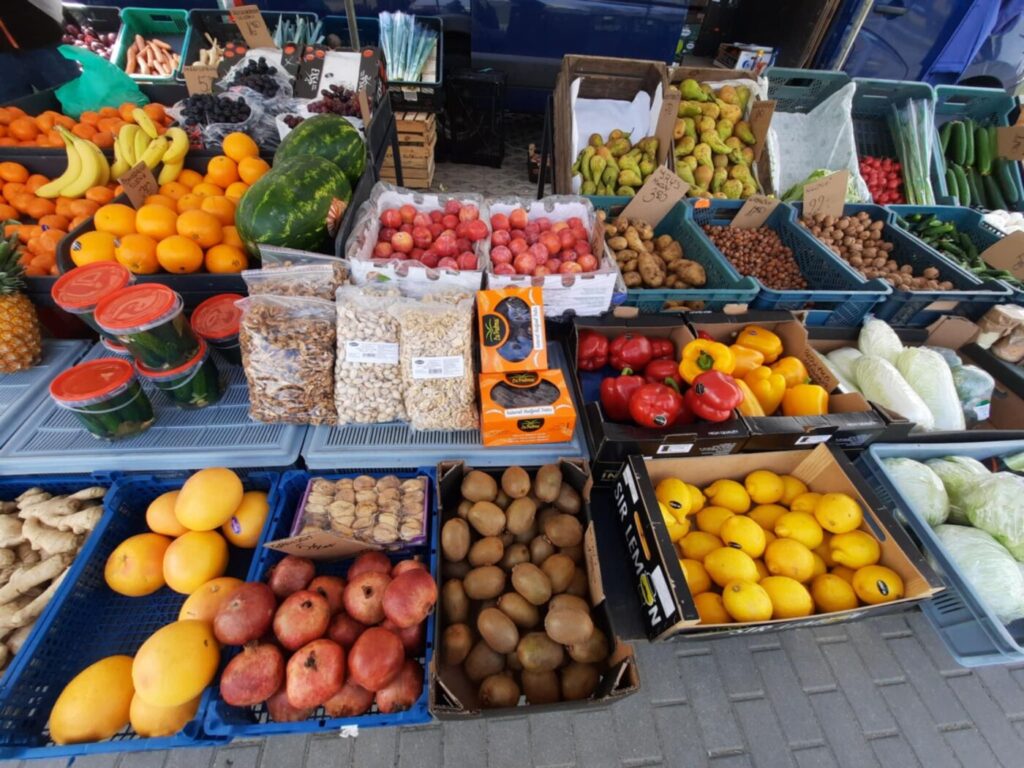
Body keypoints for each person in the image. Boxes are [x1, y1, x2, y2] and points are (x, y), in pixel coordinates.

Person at [0, 0, 79, 101]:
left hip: (41, 39)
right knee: (13, 107)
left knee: (76, 97)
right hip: (4, 58)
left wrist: (66, 17)